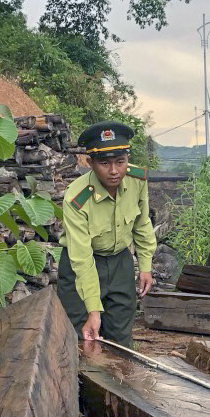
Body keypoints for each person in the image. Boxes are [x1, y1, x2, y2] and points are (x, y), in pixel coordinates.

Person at [57, 121, 155, 347]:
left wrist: (145, 265)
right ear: (90, 162)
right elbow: (81, 258)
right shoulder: (77, 198)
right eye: (104, 163)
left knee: (121, 339)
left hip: (120, 263)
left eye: (120, 162)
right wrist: (93, 310)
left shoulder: (137, 180)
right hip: (80, 267)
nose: (114, 171)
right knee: (83, 339)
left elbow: (142, 223)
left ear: (127, 159)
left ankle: (121, 381)